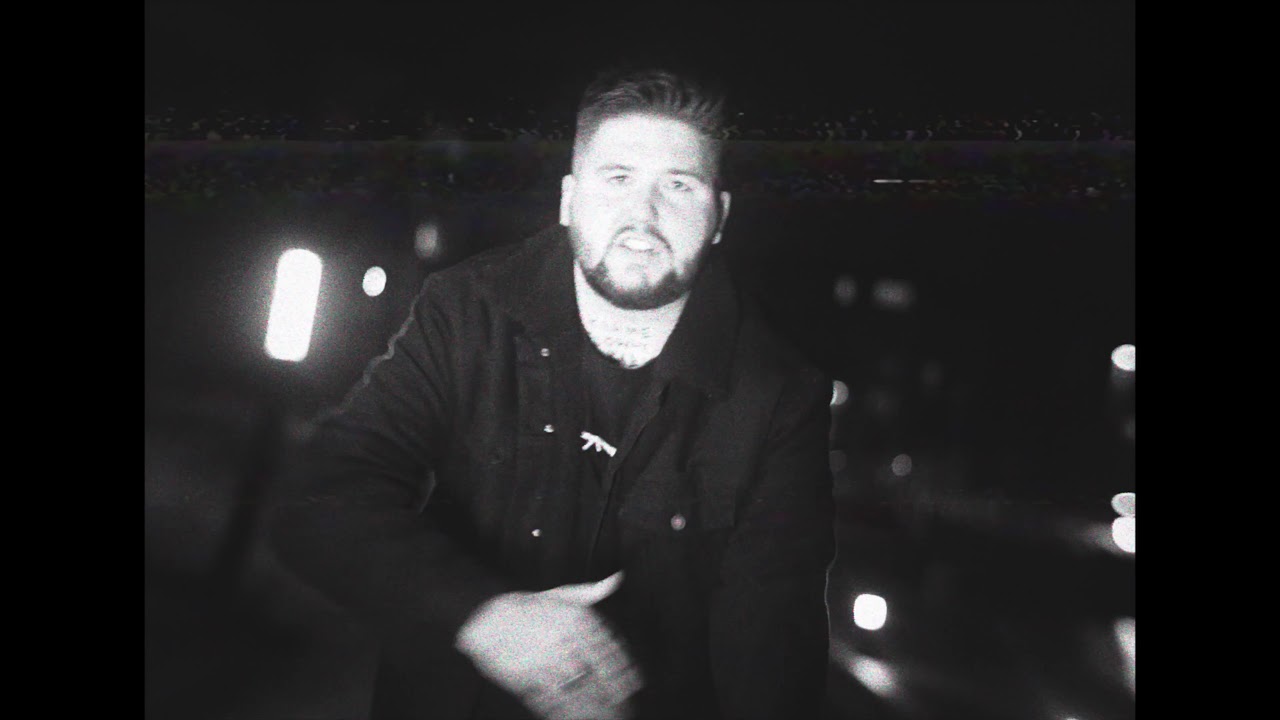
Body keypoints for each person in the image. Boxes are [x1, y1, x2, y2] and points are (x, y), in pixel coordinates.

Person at [272, 67, 837, 720]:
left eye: (678, 186)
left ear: (719, 218)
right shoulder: (468, 309)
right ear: (569, 200)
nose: (643, 216)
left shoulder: (780, 397)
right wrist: (481, 616)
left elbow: (772, 654)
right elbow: (320, 497)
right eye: (617, 178)